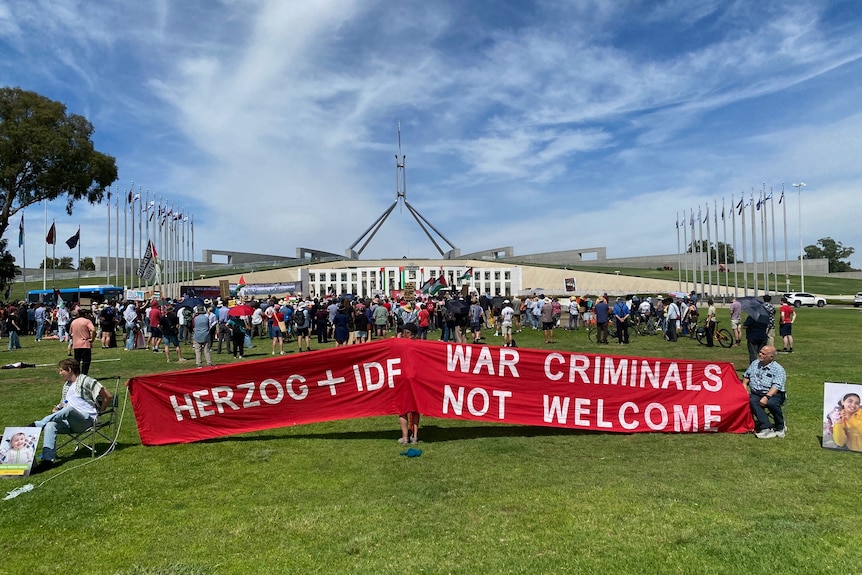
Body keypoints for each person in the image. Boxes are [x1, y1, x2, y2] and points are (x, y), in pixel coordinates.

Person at [30, 358, 113, 468]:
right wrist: (58, 409)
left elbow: (108, 396)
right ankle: (47, 461)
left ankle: (35, 425)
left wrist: (100, 412)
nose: (59, 373)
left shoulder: (86, 380)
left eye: (61, 370)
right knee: (50, 425)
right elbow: (64, 402)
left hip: (86, 420)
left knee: (68, 410)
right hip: (70, 422)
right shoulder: (67, 385)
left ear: (69, 369)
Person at [742, 345, 787, 439]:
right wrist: (745, 385)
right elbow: (747, 375)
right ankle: (766, 427)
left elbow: (776, 386)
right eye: (760, 352)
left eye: (763, 354)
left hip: (774, 394)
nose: (760, 354)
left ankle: (780, 426)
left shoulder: (778, 369)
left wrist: (767, 397)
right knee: (752, 400)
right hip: (757, 393)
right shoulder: (755, 363)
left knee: (772, 403)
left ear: (771, 357)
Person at [398, 323, 420, 445]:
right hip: (417, 379)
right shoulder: (421, 345)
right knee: (415, 409)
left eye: (403, 333)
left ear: (408, 333)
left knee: (403, 409)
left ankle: (405, 437)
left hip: (403, 378)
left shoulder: (401, 344)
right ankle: (415, 436)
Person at [69, 309, 96, 375]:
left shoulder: (74, 322)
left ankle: (77, 375)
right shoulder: (87, 321)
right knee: (86, 361)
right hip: (85, 344)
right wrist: (92, 339)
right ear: (86, 314)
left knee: (77, 361)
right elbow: (93, 330)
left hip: (76, 344)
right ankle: (84, 374)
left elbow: (70, 332)